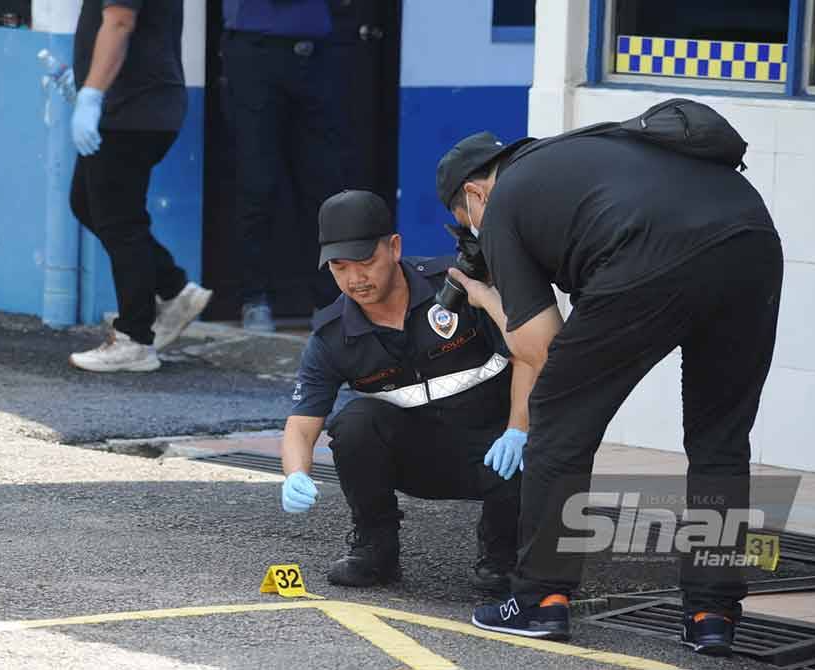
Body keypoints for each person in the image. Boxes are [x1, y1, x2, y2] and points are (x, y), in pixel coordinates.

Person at [436, 128, 782, 655]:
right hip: (751, 241)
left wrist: (485, 295)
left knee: (556, 410)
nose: (475, 238)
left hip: (647, 254)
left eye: (468, 224)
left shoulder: (504, 203)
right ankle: (713, 613)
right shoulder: (583, 154)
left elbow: (542, 348)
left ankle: (539, 599)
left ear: (476, 194)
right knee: (721, 439)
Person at [280, 189, 536, 592]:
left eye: (365, 262)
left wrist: (518, 430)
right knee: (355, 423)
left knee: (540, 432)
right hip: (419, 461)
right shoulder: (332, 336)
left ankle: (502, 554)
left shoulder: (457, 285)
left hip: (497, 449)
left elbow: (529, 353)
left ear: (394, 247)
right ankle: (375, 548)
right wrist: (296, 474)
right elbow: (301, 425)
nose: (355, 279)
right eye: (339, 267)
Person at [68, 0, 212, 373]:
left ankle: (134, 339)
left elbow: (118, 22)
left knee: (120, 221)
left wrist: (92, 92)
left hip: (130, 109)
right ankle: (173, 288)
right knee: (85, 202)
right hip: (138, 106)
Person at [221, 0, 345, 332]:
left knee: (323, 184)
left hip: (317, 52)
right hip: (254, 50)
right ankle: (254, 298)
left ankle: (328, 301)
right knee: (257, 182)